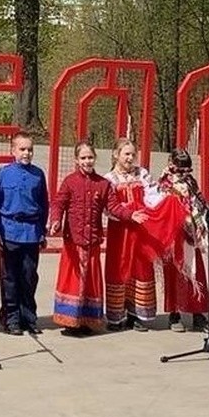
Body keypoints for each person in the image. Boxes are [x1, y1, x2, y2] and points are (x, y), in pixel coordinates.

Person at [48, 141, 148, 336]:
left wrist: (130, 215)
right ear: (77, 160)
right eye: (83, 158)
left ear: (95, 158)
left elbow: (114, 207)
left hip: (92, 241)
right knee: (73, 281)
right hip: (74, 242)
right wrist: (55, 221)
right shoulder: (70, 181)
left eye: (90, 157)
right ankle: (71, 322)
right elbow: (59, 203)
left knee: (91, 282)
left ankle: (87, 321)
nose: (87, 161)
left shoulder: (103, 184)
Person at [0, 131, 49, 336]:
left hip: (31, 233)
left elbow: (44, 204)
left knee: (29, 276)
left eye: (30, 149)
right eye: (22, 149)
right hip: (9, 231)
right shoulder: (4, 173)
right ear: (13, 151)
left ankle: (29, 318)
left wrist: (42, 231)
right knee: (10, 278)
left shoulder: (38, 174)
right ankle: (11, 318)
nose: (27, 153)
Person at [148, 148, 209, 333]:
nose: (183, 174)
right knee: (174, 274)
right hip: (174, 234)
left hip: (191, 232)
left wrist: (199, 220)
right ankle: (174, 313)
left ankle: (198, 314)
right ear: (171, 164)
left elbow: (199, 201)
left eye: (187, 170)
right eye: (180, 169)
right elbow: (160, 205)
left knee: (195, 272)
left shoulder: (191, 182)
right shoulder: (164, 183)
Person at [103, 139, 159, 331]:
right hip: (120, 231)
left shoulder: (142, 174)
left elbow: (153, 196)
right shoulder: (109, 179)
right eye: (126, 154)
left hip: (141, 231)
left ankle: (136, 314)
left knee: (140, 268)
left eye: (132, 154)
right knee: (119, 267)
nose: (130, 158)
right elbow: (108, 207)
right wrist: (127, 212)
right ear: (115, 155)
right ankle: (116, 315)